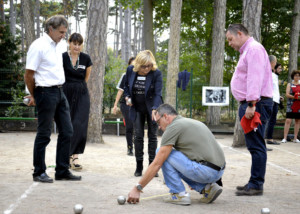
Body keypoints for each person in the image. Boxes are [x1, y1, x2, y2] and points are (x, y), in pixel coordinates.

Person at [127, 104, 225, 205]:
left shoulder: (173, 127)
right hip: (218, 172)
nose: (159, 127)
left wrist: (138, 188)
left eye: (158, 122)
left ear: (165, 116)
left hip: (207, 172)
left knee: (161, 153)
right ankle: (207, 188)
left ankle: (179, 194)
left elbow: (157, 163)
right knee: (172, 156)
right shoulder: (189, 122)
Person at [24, 15, 81, 182]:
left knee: (68, 131)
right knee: (44, 133)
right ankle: (39, 172)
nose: (64, 35)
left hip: (59, 91)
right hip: (44, 92)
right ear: (51, 29)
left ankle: (62, 170)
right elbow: (28, 74)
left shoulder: (61, 45)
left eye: (65, 32)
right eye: (61, 32)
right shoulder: (38, 46)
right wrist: (34, 94)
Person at [226, 23, 273, 196]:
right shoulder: (248, 50)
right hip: (253, 103)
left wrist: (252, 104)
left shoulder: (253, 49)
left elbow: (255, 78)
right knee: (254, 144)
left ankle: (256, 185)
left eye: (230, 39)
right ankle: (254, 182)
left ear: (239, 34)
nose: (230, 43)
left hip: (255, 104)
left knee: (256, 145)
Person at [123, 50, 163, 177]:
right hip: (137, 108)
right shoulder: (130, 70)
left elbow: (158, 93)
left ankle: (152, 168)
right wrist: (127, 97)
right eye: (144, 66)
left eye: (149, 66)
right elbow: (126, 87)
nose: (147, 69)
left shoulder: (156, 73)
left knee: (152, 137)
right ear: (138, 64)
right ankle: (138, 166)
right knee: (138, 136)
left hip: (152, 108)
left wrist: (155, 108)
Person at [62, 33, 93, 170]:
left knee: (79, 124)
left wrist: (79, 88)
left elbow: (86, 77)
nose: (77, 46)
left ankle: (75, 155)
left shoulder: (86, 58)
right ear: (69, 42)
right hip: (66, 92)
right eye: (74, 43)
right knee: (68, 124)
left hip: (81, 92)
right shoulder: (62, 57)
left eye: (79, 44)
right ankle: (67, 155)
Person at [112, 57, 135, 156]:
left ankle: (136, 144)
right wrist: (115, 104)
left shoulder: (142, 75)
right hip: (125, 105)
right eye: (132, 65)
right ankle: (130, 148)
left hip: (137, 105)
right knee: (129, 125)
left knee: (137, 125)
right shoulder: (125, 75)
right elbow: (120, 90)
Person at [266, 60, 283, 145]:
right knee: (270, 120)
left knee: (272, 120)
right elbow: (268, 88)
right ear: (274, 69)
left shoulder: (275, 77)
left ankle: (270, 138)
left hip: (276, 100)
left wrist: (278, 97)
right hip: (272, 100)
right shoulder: (271, 76)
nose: (281, 70)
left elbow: (274, 89)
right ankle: (269, 139)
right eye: (279, 68)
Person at [281, 70, 300, 143]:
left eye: (298, 75)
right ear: (293, 76)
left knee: (298, 121)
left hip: (299, 105)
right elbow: (287, 94)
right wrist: (295, 97)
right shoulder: (290, 84)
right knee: (288, 120)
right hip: (291, 105)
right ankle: (285, 138)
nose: (297, 77)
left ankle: (295, 138)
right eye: (296, 75)